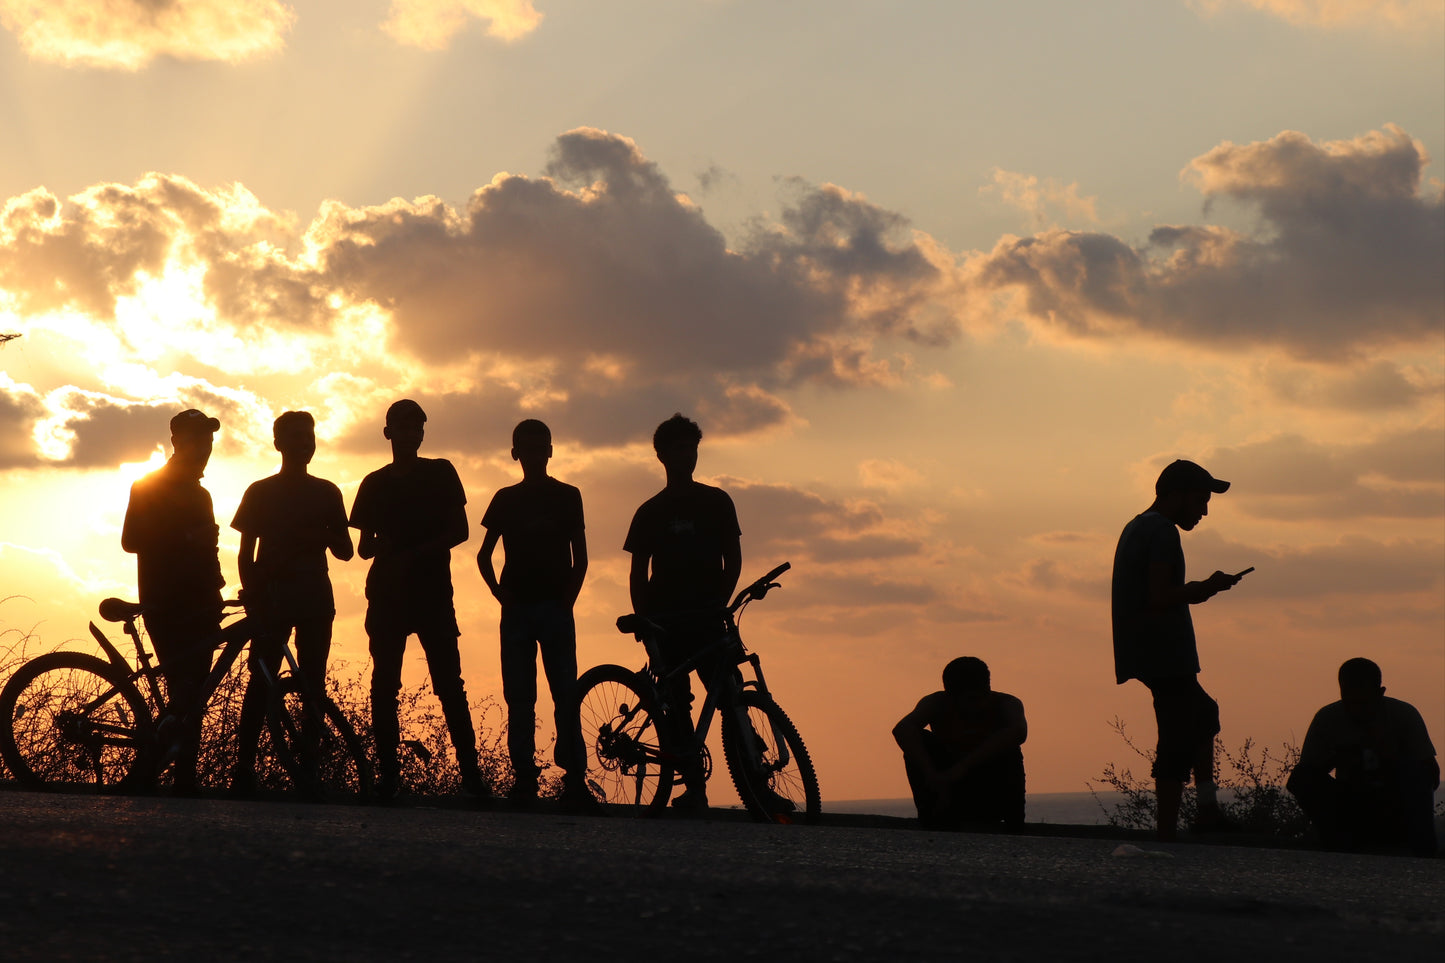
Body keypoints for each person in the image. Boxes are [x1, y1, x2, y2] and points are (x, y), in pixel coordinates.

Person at [349, 399, 484, 800]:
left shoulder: (440, 473)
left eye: (416, 428)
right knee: (384, 685)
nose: (410, 434)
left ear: (422, 434)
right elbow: (363, 547)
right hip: (388, 595)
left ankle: (472, 779)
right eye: (402, 427)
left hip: (432, 595)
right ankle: (389, 777)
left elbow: (460, 530)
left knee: (449, 686)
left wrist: (412, 553)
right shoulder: (374, 483)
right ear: (388, 432)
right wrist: (384, 546)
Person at [1111, 458, 1249, 840]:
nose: (1204, 510)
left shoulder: (1139, 526)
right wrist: (1208, 587)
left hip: (1153, 650)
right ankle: (1173, 828)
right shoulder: (1162, 532)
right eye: (1200, 500)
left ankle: (1205, 811)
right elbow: (1160, 596)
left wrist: (1203, 589)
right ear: (1176, 495)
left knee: (1201, 714)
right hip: (1161, 651)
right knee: (1178, 732)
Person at [229, 411, 354, 796]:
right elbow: (244, 555)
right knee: (259, 682)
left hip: (315, 596)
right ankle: (244, 771)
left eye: (310, 436)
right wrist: (253, 598)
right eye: (297, 436)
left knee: (312, 685)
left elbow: (347, 551)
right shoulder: (260, 491)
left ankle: (309, 770)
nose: (306, 443)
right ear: (278, 443)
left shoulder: (328, 492)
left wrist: (321, 531)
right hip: (272, 599)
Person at [623, 413, 741, 812]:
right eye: (679, 447)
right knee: (676, 703)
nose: (687, 455)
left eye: (692, 447)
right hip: (666, 621)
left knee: (730, 697)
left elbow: (733, 559)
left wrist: (721, 605)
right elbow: (638, 572)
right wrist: (644, 621)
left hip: (708, 618)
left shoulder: (717, 501)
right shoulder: (650, 510)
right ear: (662, 455)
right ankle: (694, 788)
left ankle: (756, 786)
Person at [477, 419, 590, 807]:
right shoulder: (505, 498)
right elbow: (483, 555)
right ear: (516, 453)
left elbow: (581, 558)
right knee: (521, 698)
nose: (534, 455)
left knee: (565, 696)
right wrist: (500, 594)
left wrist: (567, 600)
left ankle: (575, 781)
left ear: (550, 451)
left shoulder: (568, 495)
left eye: (541, 447)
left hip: (553, 609)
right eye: (527, 448)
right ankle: (526, 780)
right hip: (520, 612)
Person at [121, 408, 225, 795]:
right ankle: (163, 771)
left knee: (194, 692)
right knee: (185, 689)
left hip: (202, 602)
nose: (205, 445)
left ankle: (183, 778)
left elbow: (208, 549)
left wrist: (218, 587)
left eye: (209, 438)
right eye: (196, 437)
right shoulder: (148, 486)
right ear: (176, 441)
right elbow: (131, 540)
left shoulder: (202, 495)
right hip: (166, 601)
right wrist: (184, 539)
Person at [1287, 658, 1439, 857]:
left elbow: (1431, 775)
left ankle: (1421, 851)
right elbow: (1307, 774)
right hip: (1350, 804)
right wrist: (1338, 758)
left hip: (1395, 805)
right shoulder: (1328, 719)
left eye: (1364, 703)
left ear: (1380, 693)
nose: (1357, 710)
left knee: (1417, 774)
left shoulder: (1403, 716)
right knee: (1301, 778)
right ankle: (1339, 843)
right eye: (1350, 702)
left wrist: (1392, 759)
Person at [893, 657, 1027, 830]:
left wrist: (961, 768)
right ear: (949, 694)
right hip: (944, 790)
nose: (973, 708)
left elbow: (1019, 732)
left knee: (1008, 748)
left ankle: (1013, 823)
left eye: (978, 698)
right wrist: (931, 773)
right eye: (966, 700)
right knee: (918, 740)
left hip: (990, 789)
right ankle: (931, 814)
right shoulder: (936, 703)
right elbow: (903, 729)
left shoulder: (1006, 704)